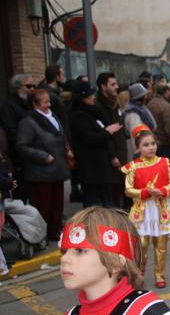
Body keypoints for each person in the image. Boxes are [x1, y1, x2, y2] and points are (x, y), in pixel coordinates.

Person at [121, 125, 170, 288]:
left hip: (161, 209)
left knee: (161, 244)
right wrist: (145, 193)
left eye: (153, 144)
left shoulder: (165, 162)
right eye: (146, 145)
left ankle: (160, 275)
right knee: (142, 244)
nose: (150, 147)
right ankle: (139, 272)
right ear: (138, 147)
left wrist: (163, 190)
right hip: (143, 210)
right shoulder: (133, 167)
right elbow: (128, 190)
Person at [17, 88, 70, 241]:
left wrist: (67, 148)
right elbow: (22, 146)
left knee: (57, 205)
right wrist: (43, 156)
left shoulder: (53, 117)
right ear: (35, 104)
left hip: (57, 168)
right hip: (41, 172)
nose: (49, 104)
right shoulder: (28, 122)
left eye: (49, 100)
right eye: (45, 101)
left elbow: (61, 135)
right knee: (43, 206)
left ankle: (55, 231)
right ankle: (42, 235)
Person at [70, 81, 122, 208]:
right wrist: (107, 131)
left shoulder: (94, 112)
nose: (93, 97)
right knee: (93, 202)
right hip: (90, 167)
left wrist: (111, 156)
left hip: (102, 165)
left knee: (107, 200)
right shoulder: (78, 116)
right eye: (89, 95)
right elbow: (90, 138)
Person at [0, 74, 36, 202]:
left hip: (33, 158)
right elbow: (12, 133)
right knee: (21, 195)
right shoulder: (9, 107)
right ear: (17, 88)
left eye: (34, 85)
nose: (33, 89)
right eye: (29, 86)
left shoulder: (30, 105)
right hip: (20, 159)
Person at [96, 72, 129, 208]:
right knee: (113, 193)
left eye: (116, 84)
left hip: (121, 152)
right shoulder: (99, 107)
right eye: (113, 84)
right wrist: (112, 156)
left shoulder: (114, 105)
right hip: (110, 158)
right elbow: (105, 133)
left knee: (123, 190)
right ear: (103, 87)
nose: (116, 87)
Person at [124, 83, 157, 161]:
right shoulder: (133, 114)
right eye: (144, 95)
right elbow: (136, 136)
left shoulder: (140, 109)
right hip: (141, 155)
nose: (146, 96)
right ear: (140, 97)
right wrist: (139, 155)